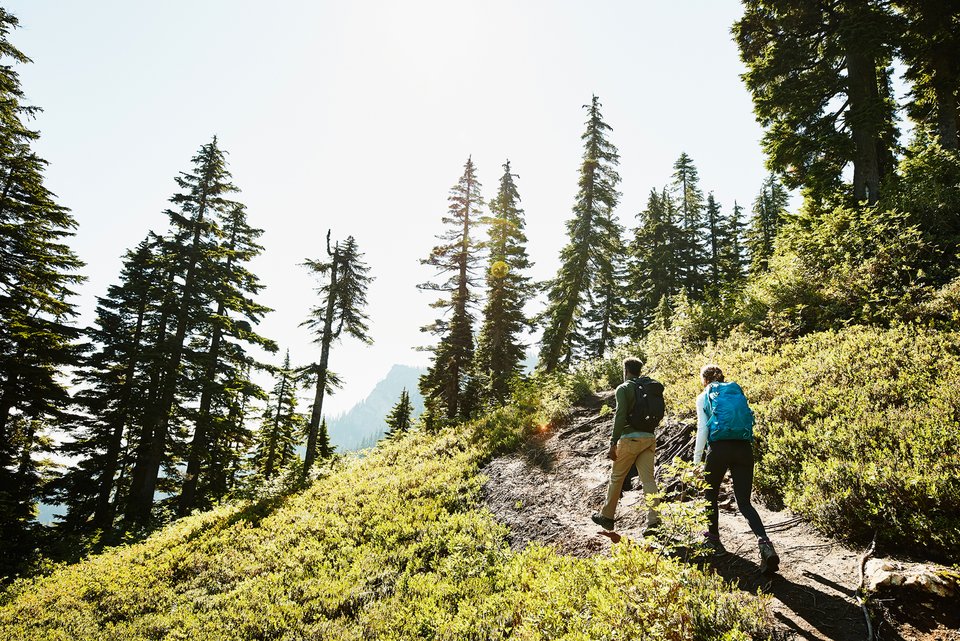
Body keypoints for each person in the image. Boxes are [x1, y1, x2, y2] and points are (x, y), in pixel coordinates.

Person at [693, 364, 780, 574]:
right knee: (744, 501)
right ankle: (765, 544)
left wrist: (697, 461)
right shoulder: (735, 391)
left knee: (710, 495)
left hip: (719, 450)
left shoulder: (704, 396)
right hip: (743, 448)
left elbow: (703, 428)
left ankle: (714, 541)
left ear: (704, 380)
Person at [591, 357, 663, 534]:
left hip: (629, 439)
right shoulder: (649, 386)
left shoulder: (623, 388)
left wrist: (613, 442)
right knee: (648, 480)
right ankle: (654, 523)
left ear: (626, 371)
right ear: (639, 370)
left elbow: (620, 414)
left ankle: (607, 517)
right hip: (649, 438)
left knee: (617, 477)